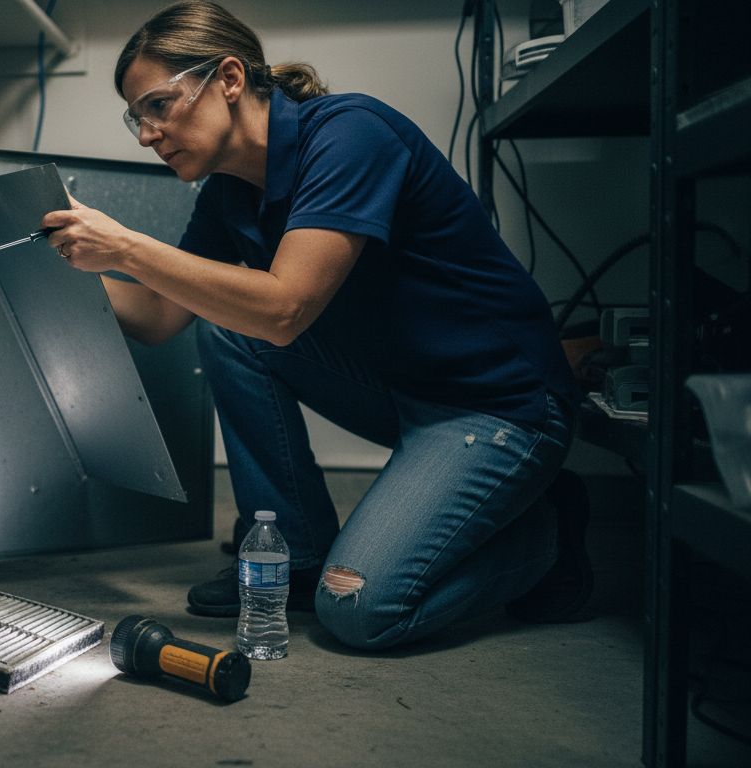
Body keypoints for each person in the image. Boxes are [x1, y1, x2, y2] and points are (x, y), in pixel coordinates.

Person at [40, 1, 591, 651]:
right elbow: (162, 316)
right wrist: (56, 278)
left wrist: (127, 246)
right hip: (405, 392)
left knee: (358, 609)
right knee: (225, 328)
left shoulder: (350, 136)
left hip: (499, 406)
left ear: (229, 79)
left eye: (158, 105)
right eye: (138, 116)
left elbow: (283, 309)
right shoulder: (229, 191)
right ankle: (295, 558)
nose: (146, 134)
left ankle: (548, 537)